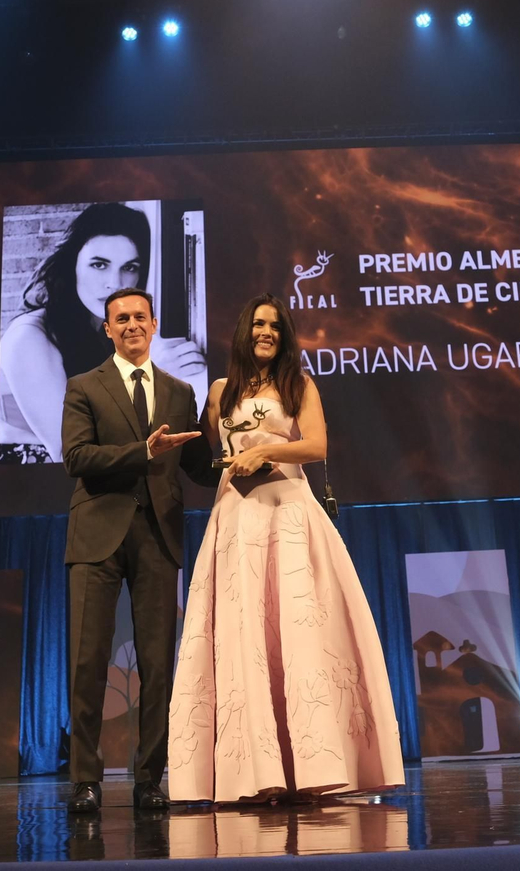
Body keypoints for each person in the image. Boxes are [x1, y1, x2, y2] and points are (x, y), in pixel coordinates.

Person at [167, 294, 404, 804]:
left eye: (275, 326)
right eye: (258, 323)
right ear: (244, 330)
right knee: (243, 635)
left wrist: (267, 451)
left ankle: (313, 767)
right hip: (236, 517)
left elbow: (316, 446)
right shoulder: (220, 391)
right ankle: (253, 773)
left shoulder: (299, 385)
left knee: (297, 634)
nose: (266, 332)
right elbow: (209, 457)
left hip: (289, 513)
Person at [60, 286, 222, 813]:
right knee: (88, 661)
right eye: (121, 318)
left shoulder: (179, 392)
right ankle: (85, 780)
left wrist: (240, 458)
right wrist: (142, 451)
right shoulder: (84, 386)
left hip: (158, 535)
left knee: (158, 664)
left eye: (140, 317)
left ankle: (149, 779)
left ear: (154, 325)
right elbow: (76, 457)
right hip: (97, 536)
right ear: (107, 328)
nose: (131, 325)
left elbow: (197, 468)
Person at [0, 203, 206, 463]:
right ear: (72, 265)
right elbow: (70, 452)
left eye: (129, 267)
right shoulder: (28, 338)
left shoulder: (105, 324)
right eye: (99, 265)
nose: (115, 284)